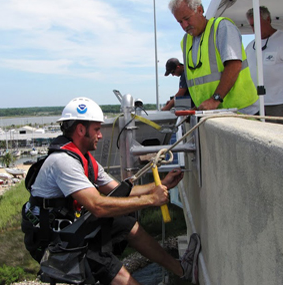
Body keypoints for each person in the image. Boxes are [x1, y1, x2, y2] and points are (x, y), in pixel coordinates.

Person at [22, 97, 201, 285]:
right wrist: (151, 200)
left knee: (125, 223)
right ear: (81, 130)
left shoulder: (84, 159)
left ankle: (182, 269)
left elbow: (119, 191)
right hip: (54, 240)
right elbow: (98, 206)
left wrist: (160, 185)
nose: (100, 135)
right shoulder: (63, 162)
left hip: (70, 228)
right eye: (97, 130)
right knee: (109, 267)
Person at [168, 0, 259, 115]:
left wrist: (215, 99)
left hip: (240, 111)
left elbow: (234, 65)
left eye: (187, 18)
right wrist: (199, 106)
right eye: (180, 22)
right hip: (212, 114)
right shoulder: (185, 42)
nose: (185, 25)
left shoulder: (222, 27)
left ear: (200, 10)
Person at [245, 6, 283, 125]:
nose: (255, 28)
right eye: (252, 25)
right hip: (255, 106)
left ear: (268, 20)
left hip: (279, 105)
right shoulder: (250, 46)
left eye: (258, 24)